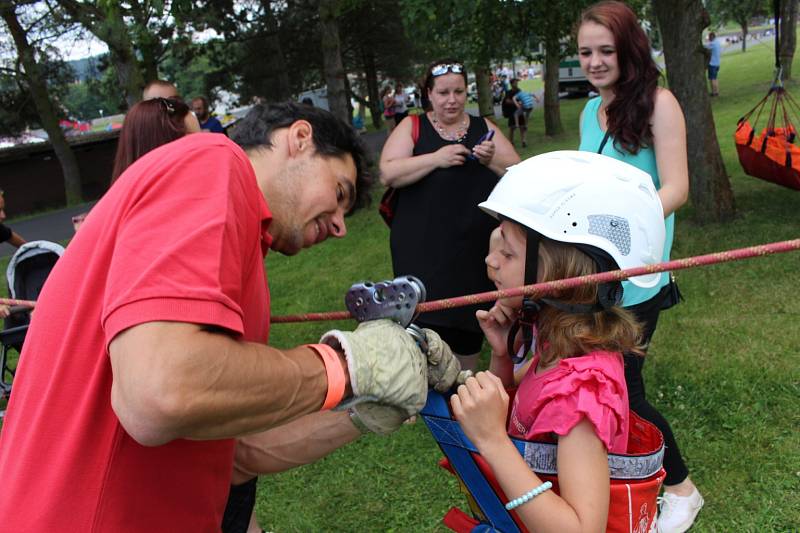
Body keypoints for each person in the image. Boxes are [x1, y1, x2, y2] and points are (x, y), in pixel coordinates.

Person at [0, 102, 462, 531]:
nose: (341, 226)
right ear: (299, 138)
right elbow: (159, 392)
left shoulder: (242, 244)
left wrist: (364, 407)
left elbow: (238, 449)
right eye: (339, 192)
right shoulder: (213, 164)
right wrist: (348, 364)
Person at [453, 150, 667, 532]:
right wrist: (502, 359)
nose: (490, 261)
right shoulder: (555, 341)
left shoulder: (583, 393)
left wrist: (492, 442)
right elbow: (531, 417)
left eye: (507, 252)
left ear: (562, 271)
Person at [575, 3, 700, 532]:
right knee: (600, 379)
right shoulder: (588, 111)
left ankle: (683, 490)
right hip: (594, 268)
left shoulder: (659, 104)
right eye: (586, 52)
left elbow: (677, 187)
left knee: (626, 384)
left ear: (630, 50)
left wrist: (628, 215)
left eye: (607, 50)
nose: (596, 62)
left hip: (641, 272)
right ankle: (620, 471)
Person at [380, 59, 520, 372]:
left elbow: (517, 172)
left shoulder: (483, 127)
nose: (452, 99)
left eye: (458, 91)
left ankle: (461, 381)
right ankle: (421, 381)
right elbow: (388, 172)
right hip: (423, 249)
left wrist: (491, 158)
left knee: (467, 319)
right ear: (428, 93)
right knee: (424, 316)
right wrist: (435, 158)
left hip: (472, 251)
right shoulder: (413, 126)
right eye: (443, 92)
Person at [511, 79, 540, 148]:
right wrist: (537, 99)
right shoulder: (525, 92)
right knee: (527, 115)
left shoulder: (518, 94)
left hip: (526, 106)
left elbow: (513, 98)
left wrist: (517, 104)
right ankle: (526, 125)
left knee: (516, 114)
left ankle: (517, 124)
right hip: (531, 106)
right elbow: (533, 94)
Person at [706, 31, 722, 96]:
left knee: (712, 79)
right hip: (717, 63)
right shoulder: (718, 42)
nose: (708, 39)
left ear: (711, 37)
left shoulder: (712, 44)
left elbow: (705, 47)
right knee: (715, 78)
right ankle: (717, 91)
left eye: (709, 37)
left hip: (712, 64)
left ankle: (714, 92)